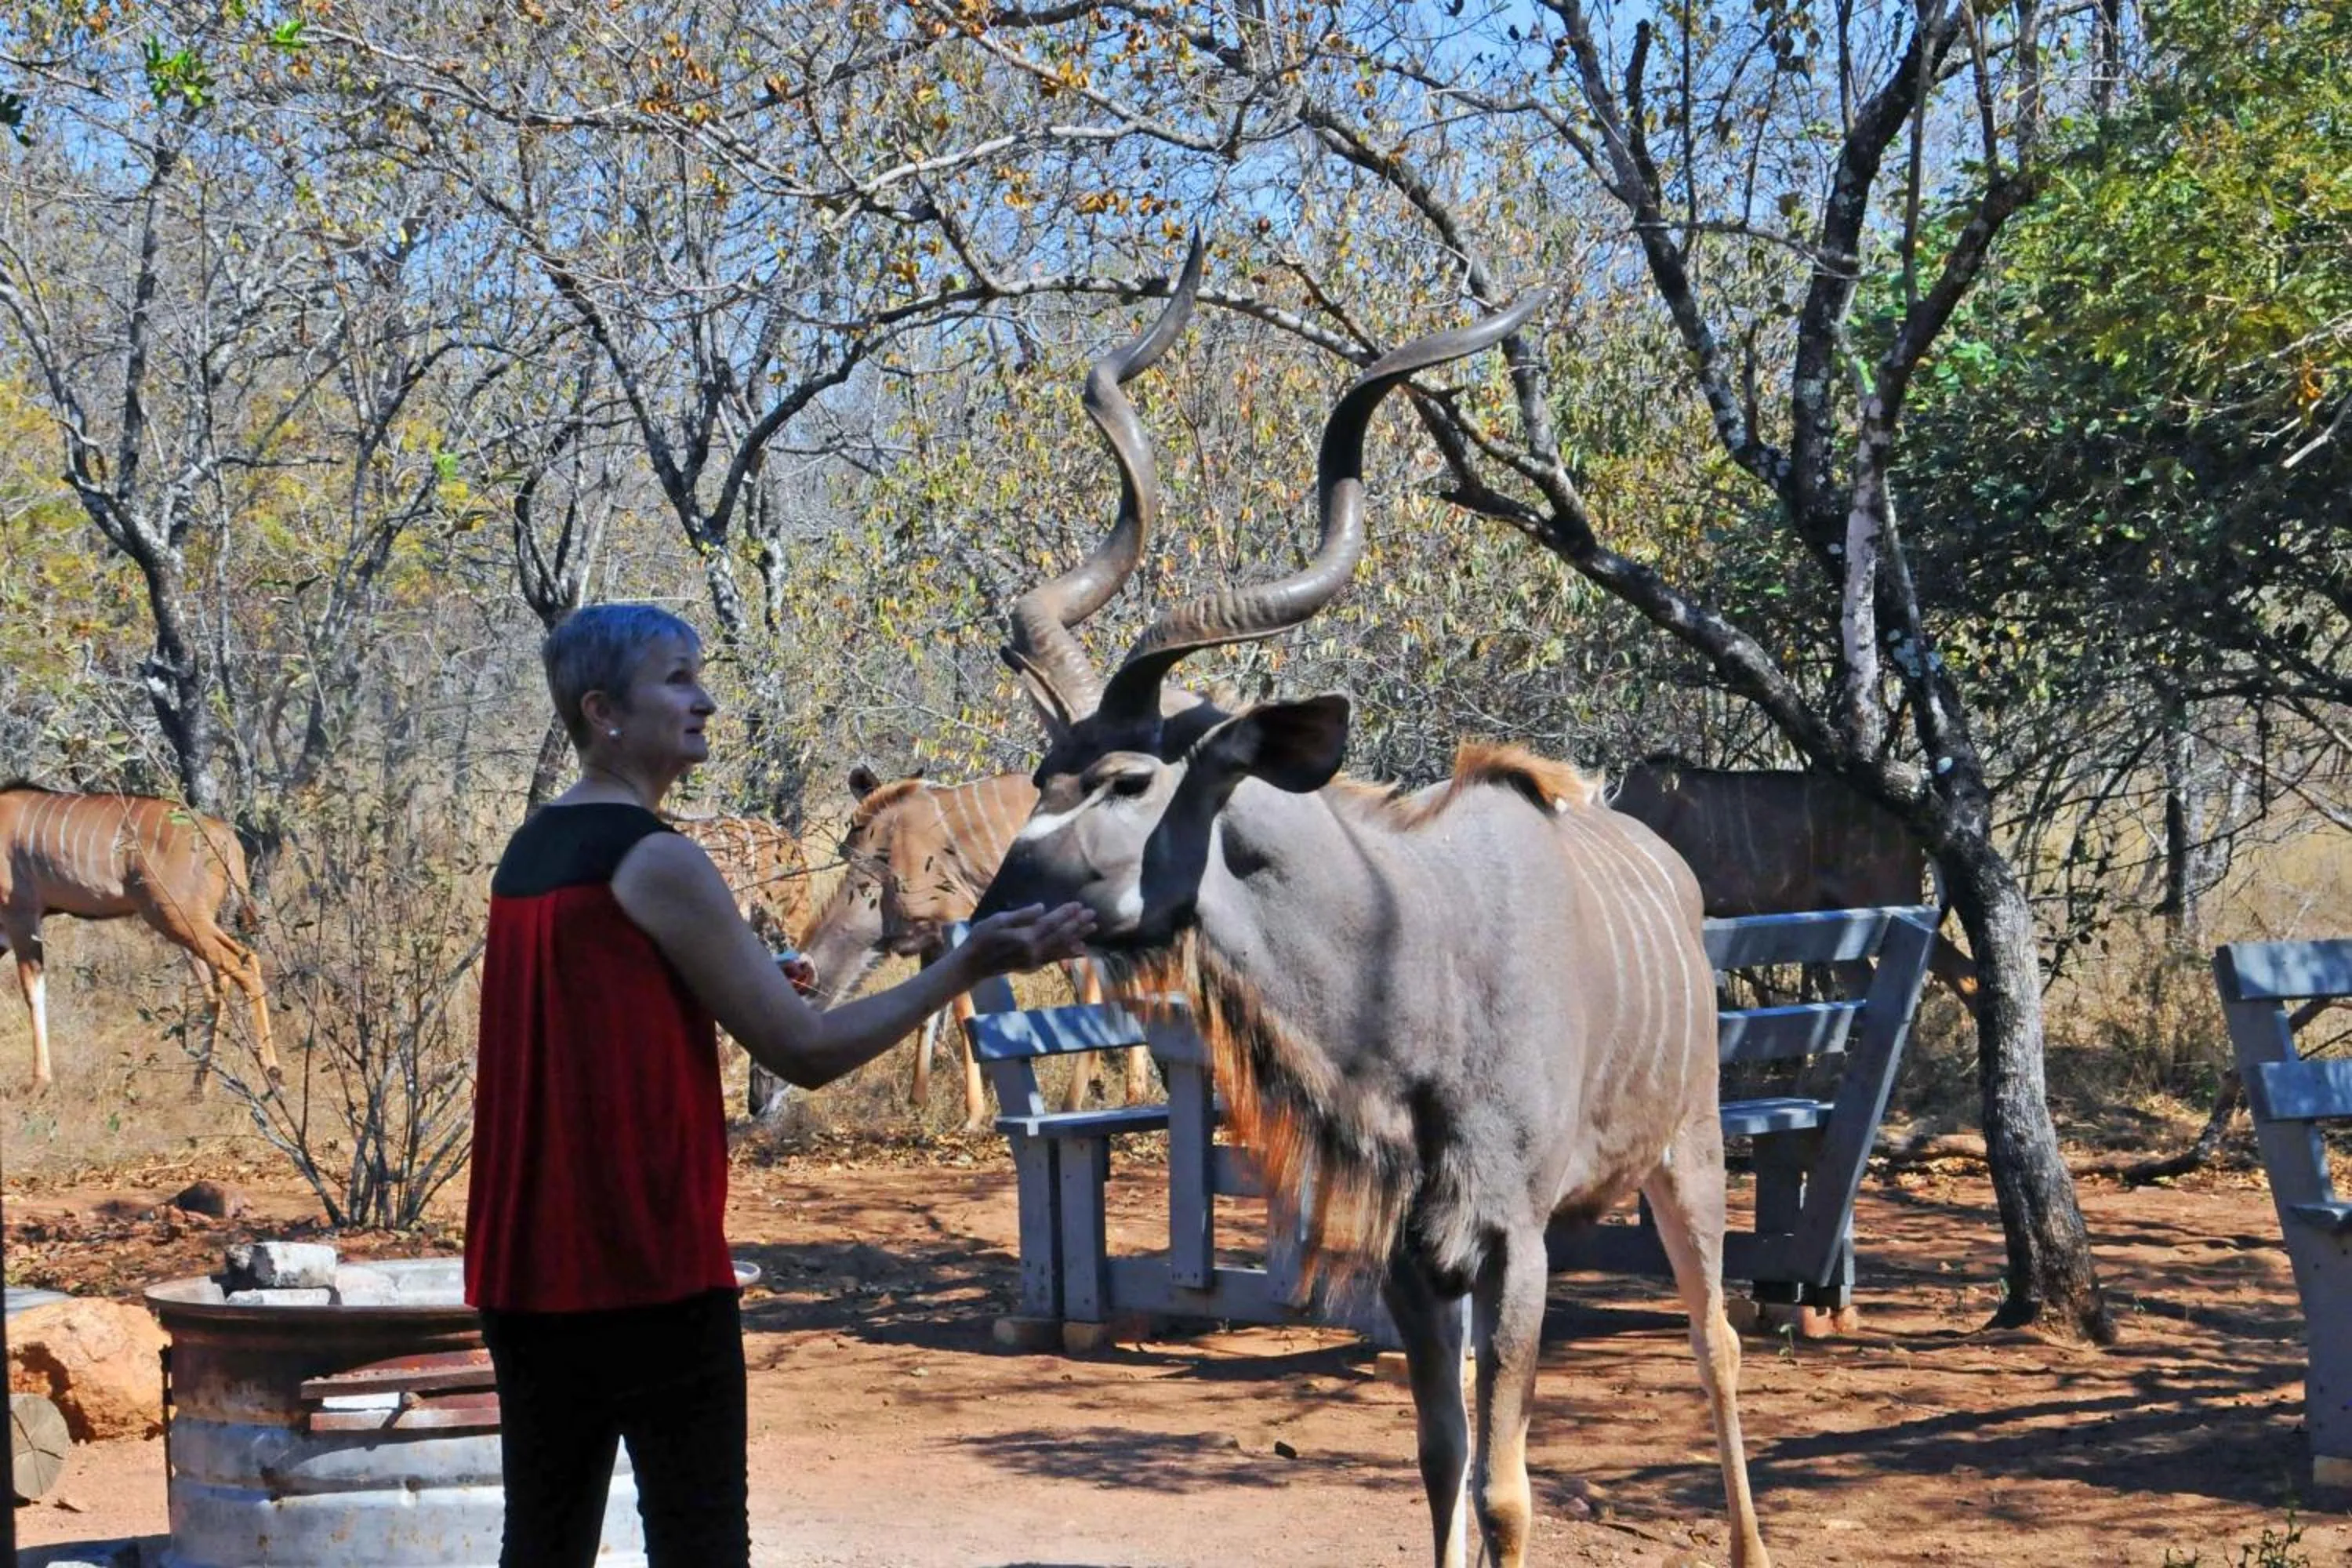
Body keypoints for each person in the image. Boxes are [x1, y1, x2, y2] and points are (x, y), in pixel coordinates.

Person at [465, 602, 1094, 1567]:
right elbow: (803, 1052)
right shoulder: (657, 857)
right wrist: (966, 966)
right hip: (645, 1269)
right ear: (604, 711)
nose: (705, 700)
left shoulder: (532, 850)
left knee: (543, 1547)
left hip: (527, 1276)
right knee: (703, 1545)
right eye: (677, 680)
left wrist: (751, 978)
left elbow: (604, 1009)